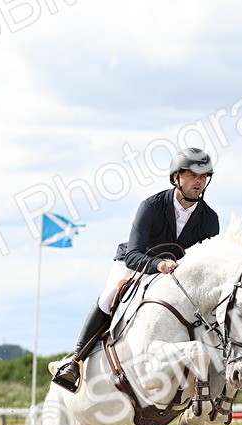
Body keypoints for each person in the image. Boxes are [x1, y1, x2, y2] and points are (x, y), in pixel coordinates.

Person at [51, 146, 220, 393]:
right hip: (138, 263)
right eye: (193, 175)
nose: (199, 181)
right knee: (111, 296)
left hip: (176, 277)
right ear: (176, 177)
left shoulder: (210, 218)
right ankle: (75, 361)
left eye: (204, 176)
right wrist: (158, 264)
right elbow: (133, 254)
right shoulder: (151, 206)